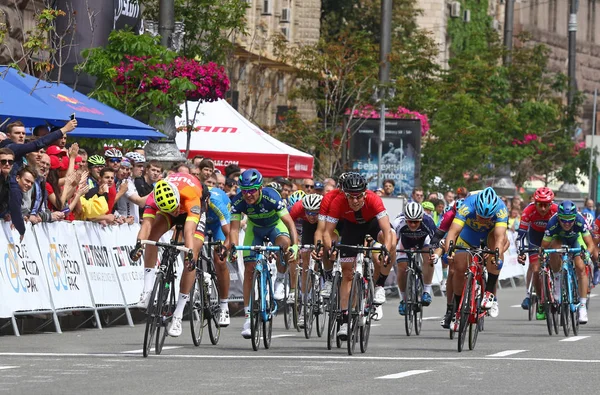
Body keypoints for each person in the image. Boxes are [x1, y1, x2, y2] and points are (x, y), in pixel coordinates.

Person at [130, 172, 209, 337]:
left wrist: (189, 256)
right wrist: (139, 246)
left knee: (192, 252)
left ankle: (178, 314)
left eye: (174, 210)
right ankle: (147, 291)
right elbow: (146, 227)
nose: (174, 213)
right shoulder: (154, 198)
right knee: (152, 238)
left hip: (189, 210)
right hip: (166, 207)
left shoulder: (191, 196)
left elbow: (188, 231)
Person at [323, 173, 396, 337]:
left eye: (359, 196)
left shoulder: (374, 199)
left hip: (372, 225)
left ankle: (379, 286)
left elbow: (386, 230)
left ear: (365, 193)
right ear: (344, 194)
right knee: (347, 273)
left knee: (391, 236)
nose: (355, 201)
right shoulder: (338, 201)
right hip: (352, 228)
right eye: (351, 197)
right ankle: (344, 319)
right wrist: (330, 249)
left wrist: (386, 249)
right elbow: (327, 233)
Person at [229, 169, 299, 338]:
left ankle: (280, 279)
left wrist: (295, 246)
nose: (248, 195)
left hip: (276, 226)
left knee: (284, 245)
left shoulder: (271, 196)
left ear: (260, 188)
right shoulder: (238, 201)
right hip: (255, 230)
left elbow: (290, 224)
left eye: (252, 190)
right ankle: (248, 318)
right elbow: (234, 229)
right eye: (245, 191)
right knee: (249, 269)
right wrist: (233, 247)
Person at [443, 187, 508, 330]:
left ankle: (489, 292)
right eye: (480, 216)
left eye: (487, 218)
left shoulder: (501, 210)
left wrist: (494, 254)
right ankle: (458, 311)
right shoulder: (467, 206)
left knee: (497, 252)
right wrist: (450, 252)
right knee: (459, 268)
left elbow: (499, 239)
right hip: (469, 233)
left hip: (489, 235)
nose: (483, 220)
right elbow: (453, 233)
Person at [541, 200, 598, 324]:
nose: (567, 224)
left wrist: (587, 254)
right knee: (553, 249)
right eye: (564, 220)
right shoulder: (553, 222)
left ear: (574, 218)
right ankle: (557, 281)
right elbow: (544, 246)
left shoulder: (580, 220)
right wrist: (544, 255)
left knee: (580, 267)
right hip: (558, 240)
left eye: (570, 220)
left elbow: (590, 244)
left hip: (575, 241)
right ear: (559, 218)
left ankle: (582, 306)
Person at [516, 187, 558, 319]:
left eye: (546, 205)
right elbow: (521, 235)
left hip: (552, 238)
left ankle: (557, 289)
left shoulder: (556, 210)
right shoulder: (528, 210)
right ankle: (540, 299)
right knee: (535, 269)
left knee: (555, 262)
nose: (543, 209)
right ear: (535, 203)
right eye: (540, 204)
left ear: (551, 204)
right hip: (534, 237)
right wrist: (520, 252)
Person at [393, 202, 437, 316]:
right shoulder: (398, 222)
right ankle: (403, 299)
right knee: (402, 268)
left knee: (429, 257)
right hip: (405, 242)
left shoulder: (428, 221)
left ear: (421, 219)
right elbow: (393, 243)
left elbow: (435, 242)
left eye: (416, 222)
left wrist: (435, 254)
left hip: (424, 241)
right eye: (410, 221)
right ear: (405, 219)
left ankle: (426, 291)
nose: (413, 224)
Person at [289, 193, 323, 327]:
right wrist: (295, 243)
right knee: (305, 258)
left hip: (323, 225)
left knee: (324, 252)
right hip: (307, 227)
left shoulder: (326, 210)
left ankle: (323, 282)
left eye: (315, 213)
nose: (311, 215)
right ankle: (304, 304)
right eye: (308, 212)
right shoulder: (298, 208)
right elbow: (289, 224)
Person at [205, 185, 232, 326]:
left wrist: (224, 249)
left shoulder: (216, 203)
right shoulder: (192, 202)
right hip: (201, 220)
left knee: (220, 261)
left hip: (218, 225)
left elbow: (229, 235)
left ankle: (224, 306)